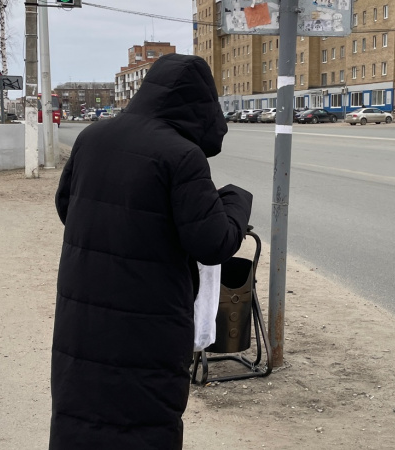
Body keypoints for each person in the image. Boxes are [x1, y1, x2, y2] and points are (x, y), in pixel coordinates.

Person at [51, 54, 253, 450]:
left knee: (81, 414)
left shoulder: (92, 137)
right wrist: (235, 200)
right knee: (142, 423)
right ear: (201, 104)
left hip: (83, 314)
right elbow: (214, 242)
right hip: (148, 322)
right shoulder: (182, 155)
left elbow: (66, 206)